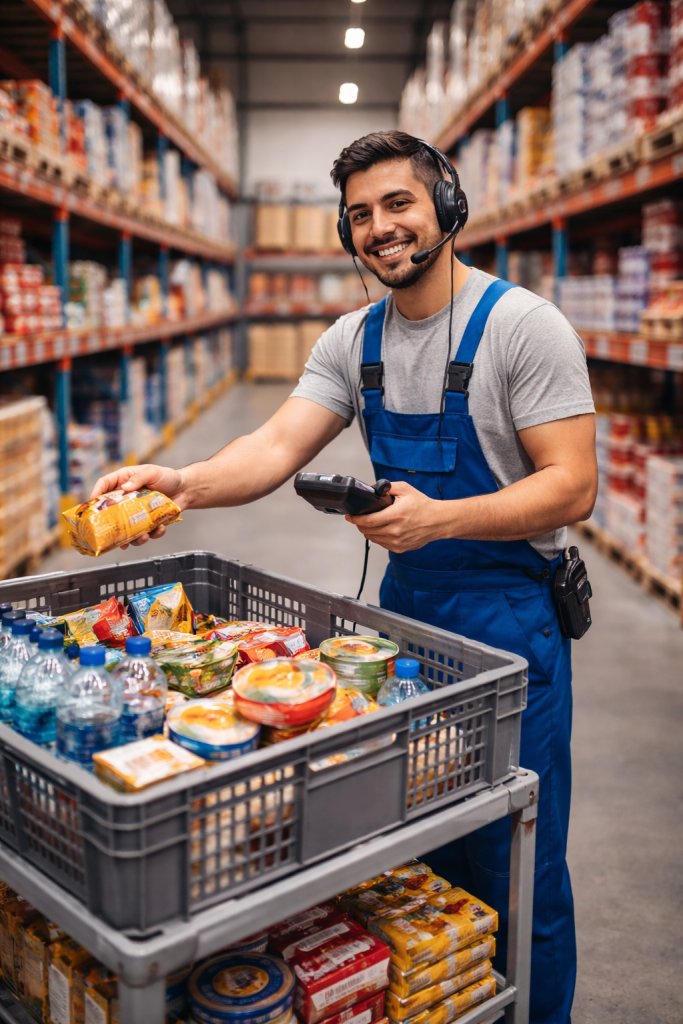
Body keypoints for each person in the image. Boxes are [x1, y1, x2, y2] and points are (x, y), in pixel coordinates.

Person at [92, 130, 597, 1023]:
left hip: (511, 624)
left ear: (445, 204)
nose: (379, 228)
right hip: (408, 630)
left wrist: (442, 519)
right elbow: (272, 448)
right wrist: (181, 484)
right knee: (423, 853)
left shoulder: (524, 326)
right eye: (359, 214)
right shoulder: (352, 339)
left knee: (516, 857)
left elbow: (572, 484)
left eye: (397, 203)